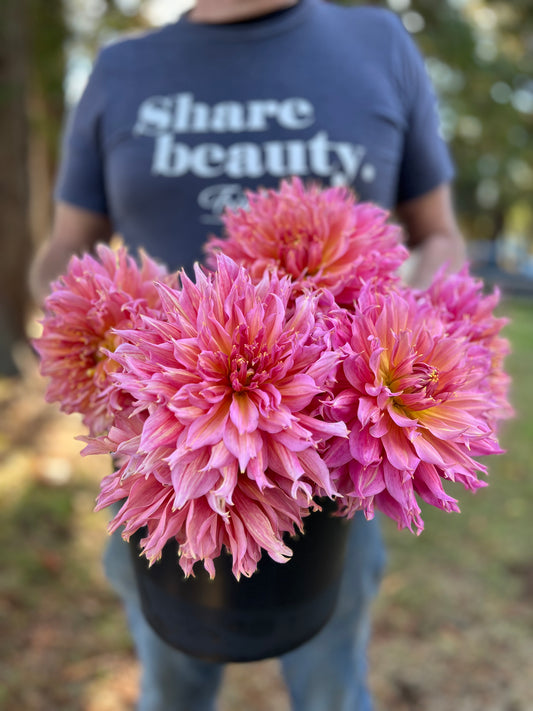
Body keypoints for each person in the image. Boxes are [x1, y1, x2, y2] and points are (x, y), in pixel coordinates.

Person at [30, 1, 467, 709]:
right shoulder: (120, 69)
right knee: (170, 684)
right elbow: (61, 245)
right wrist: (76, 309)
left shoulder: (378, 42)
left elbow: (437, 235)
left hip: (331, 473)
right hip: (160, 459)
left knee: (331, 686)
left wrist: (410, 315)